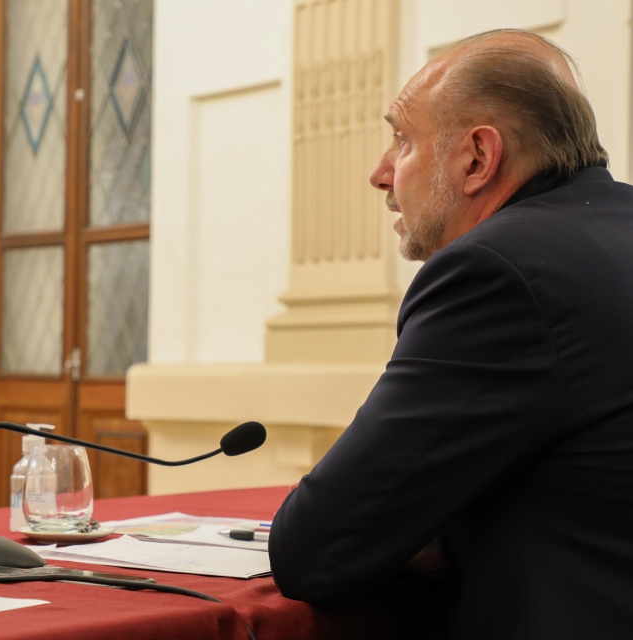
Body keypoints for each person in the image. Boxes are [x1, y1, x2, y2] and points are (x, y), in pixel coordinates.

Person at [268, 29, 633, 638]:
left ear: (477, 158)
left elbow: (319, 552)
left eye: (403, 139)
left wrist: (434, 529)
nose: (380, 173)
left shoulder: (497, 272)